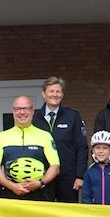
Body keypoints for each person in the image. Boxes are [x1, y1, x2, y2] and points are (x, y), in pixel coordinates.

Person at [32, 76, 87, 204]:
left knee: (68, 215)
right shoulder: (34, 117)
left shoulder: (73, 116)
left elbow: (82, 147)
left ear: (62, 94)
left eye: (58, 91)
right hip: (41, 175)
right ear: (44, 94)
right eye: (51, 91)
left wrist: (80, 176)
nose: (55, 94)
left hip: (67, 176)